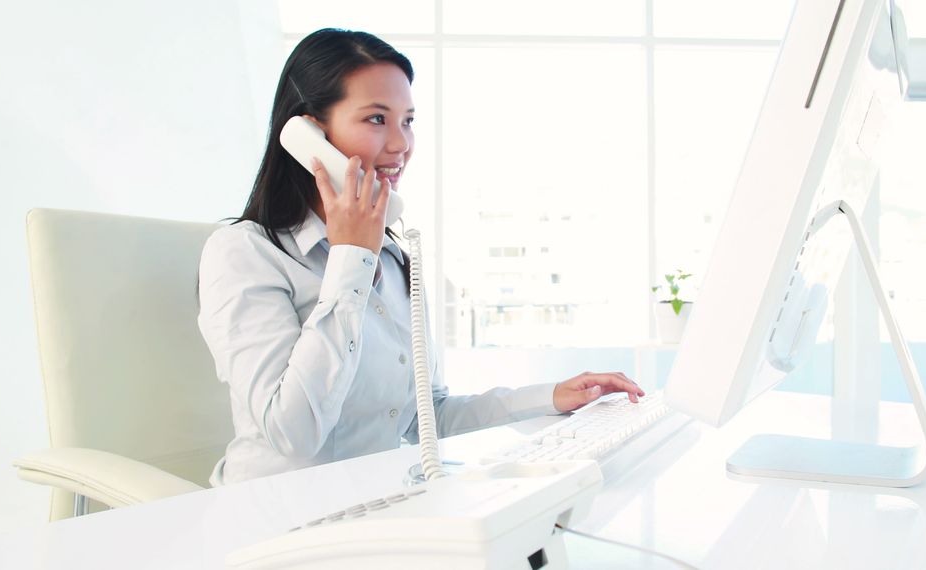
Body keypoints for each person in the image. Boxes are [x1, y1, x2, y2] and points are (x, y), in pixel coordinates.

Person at [197, 28, 644, 486]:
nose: (401, 145)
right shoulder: (245, 253)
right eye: (376, 120)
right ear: (308, 134)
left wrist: (551, 397)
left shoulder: (393, 262)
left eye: (407, 120)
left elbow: (428, 419)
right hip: (275, 521)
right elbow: (293, 432)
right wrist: (351, 256)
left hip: (374, 507)